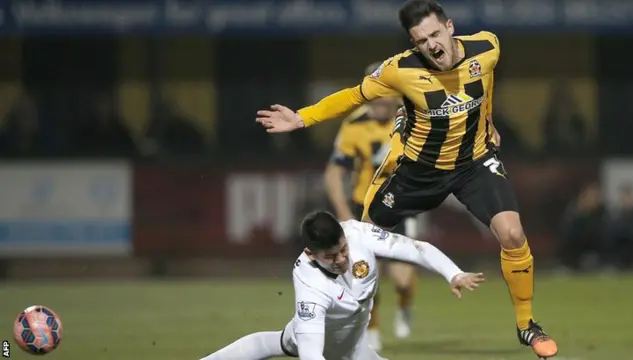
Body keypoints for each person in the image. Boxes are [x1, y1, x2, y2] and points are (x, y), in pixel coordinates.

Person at [255, 0, 558, 358]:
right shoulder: (399, 70)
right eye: (420, 40)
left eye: (433, 34)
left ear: (450, 27)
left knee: (512, 233)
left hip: (472, 163)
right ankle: (345, 325)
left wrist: (488, 120)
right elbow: (354, 95)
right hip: (415, 172)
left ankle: (526, 325)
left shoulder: (487, 47)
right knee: (363, 244)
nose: (430, 45)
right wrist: (302, 119)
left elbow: (484, 86)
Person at [199, 211, 483, 360]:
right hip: (324, 346)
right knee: (282, 342)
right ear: (311, 254)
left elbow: (415, 248)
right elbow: (312, 353)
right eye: (331, 256)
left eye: (343, 249)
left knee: (272, 342)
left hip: (355, 347)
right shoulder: (308, 280)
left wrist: (453, 273)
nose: (342, 259)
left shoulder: (358, 233)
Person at [324, 62, 418, 350]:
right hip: (363, 208)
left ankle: (404, 305)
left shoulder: (413, 118)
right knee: (364, 273)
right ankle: (372, 330)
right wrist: (343, 215)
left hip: (401, 206)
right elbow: (333, 174)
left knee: (402, 280)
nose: (378, 99)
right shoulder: (353, 125)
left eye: (384, 92)